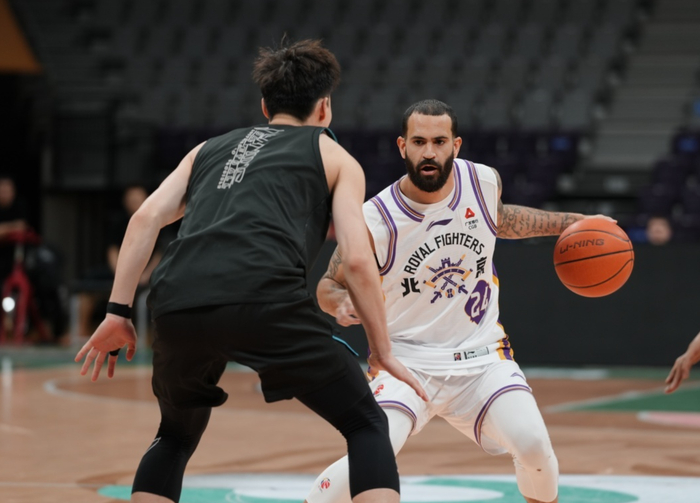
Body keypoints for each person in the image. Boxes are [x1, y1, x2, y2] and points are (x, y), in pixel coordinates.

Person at [75, 39, 427, 503]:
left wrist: (117, 312)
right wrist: (381, 349)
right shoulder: (335, 157)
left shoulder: (206, 150)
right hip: (264, 300)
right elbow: (358, 259)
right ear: (325, 108)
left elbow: (144, 220)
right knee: (365, 424)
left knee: (175, 435)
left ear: (265, 106)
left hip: (178, 301)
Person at [305, 100, 614, 503]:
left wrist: (575, 223)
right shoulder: (375, 218)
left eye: (439, 141)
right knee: (370, 454)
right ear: (402, 146)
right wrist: (343, 302)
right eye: (419, 141)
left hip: (482, 359)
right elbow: (328, 285)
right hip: (406, 364)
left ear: (456, 145)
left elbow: (501, 219)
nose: (429, 152)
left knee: (534, 446)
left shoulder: (482, 181)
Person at [76, 185, 163, 338]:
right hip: (120, 271)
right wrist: (121, 274)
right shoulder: (119, 223)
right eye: (131, 200)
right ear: (125, 202)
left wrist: (144, 275)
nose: (134, 202)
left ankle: (157, 336)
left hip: (146, 274)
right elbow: (112, 251)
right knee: (87, 282)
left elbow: (159, 254)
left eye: (138, 199)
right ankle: (81, 330)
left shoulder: (157, 220)